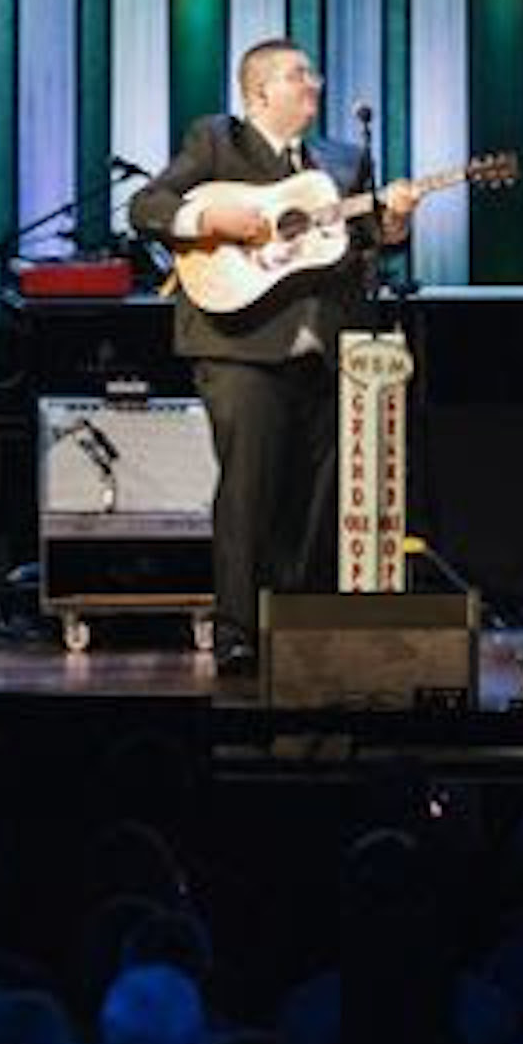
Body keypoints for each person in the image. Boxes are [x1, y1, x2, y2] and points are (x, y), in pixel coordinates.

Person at [128, 40, 418, 673]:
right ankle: (238, 631)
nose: (313, 83)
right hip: (240, 344)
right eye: (297, 76)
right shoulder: (215, 142)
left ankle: (300, 623)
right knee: (249, 487)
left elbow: (368, 239)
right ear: (259, 92)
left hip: (328, 347)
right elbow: (146, 207)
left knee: (319, 494)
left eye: (312, 73)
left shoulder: (342, 161)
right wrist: (213, 217)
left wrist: (393, 223)